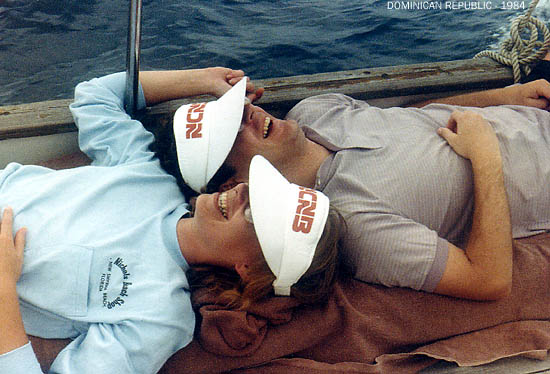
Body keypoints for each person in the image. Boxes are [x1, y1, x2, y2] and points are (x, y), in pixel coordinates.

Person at [0, 68, 342, 374]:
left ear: (249, 269)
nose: (243, 195)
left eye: (255, 213)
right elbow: (95, 95)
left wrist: (4, 289)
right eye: (258, 187)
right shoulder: (148, 172)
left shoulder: (160, 316)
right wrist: (202, 80)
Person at [154, 75, 550, 302]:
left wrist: (500, 98)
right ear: (232, 184)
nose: (250, 115)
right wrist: (485, 156)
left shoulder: (312, 110)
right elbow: (488, 280)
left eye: (236, 111)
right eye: (233, 132)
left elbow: (404, 119)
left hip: (531, 111)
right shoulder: (355, 226)